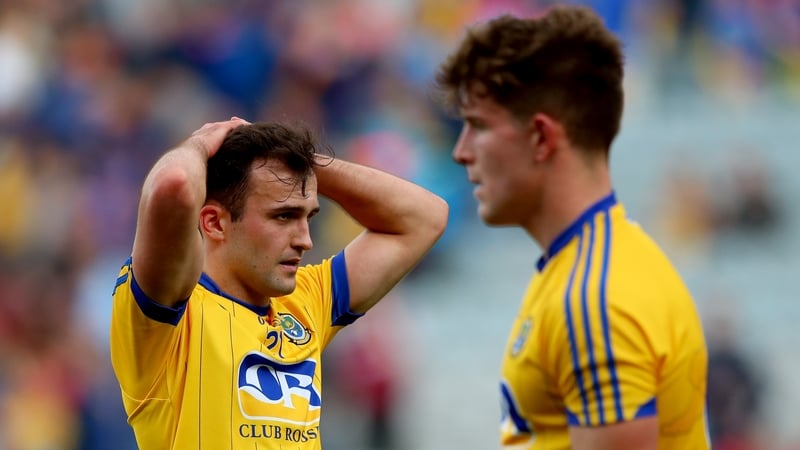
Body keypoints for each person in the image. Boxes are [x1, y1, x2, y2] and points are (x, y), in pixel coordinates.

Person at [435, 5, 708, 450]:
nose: (460, 151)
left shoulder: (596, 302)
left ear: (541, 137)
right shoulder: (592, 266)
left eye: (478, 126)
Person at [109, 117, 448, 449]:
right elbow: (175, 186)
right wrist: (199, 144)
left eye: (308, 216)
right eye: (284, 216)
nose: (305, 240)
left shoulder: (307, 301)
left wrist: (301, 164)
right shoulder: (166, 319)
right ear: (214, 223)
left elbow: (425, 217)